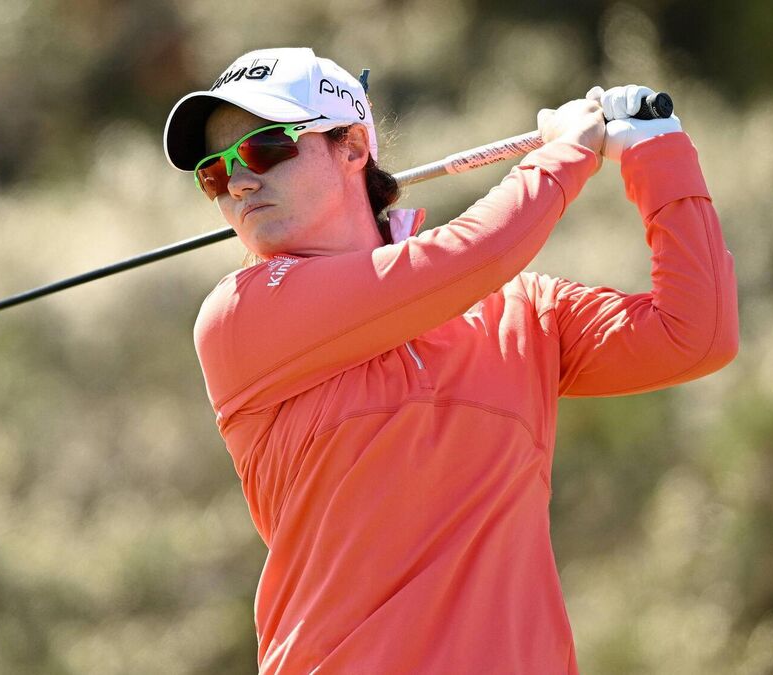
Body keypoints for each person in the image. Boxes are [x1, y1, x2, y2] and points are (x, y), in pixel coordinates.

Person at [163, 47, 738, 674]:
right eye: (214, 174)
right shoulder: (240, 316)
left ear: (351, 146)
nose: (239, 183)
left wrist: (660, 152)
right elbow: (470, 258)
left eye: (264, 149)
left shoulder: (521, 311)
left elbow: (697, 334)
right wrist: (566, 153)